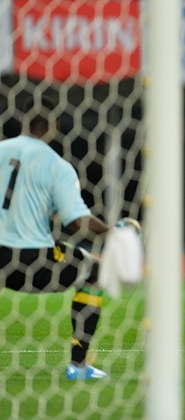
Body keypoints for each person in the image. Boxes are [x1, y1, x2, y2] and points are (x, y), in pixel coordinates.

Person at [0, 96, 137, 380]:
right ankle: (78, 364)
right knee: (95, 270)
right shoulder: (56, 165)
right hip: (30, 260)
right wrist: (115, 233)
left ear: (22, 120)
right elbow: (77, 223)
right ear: (56, 126)